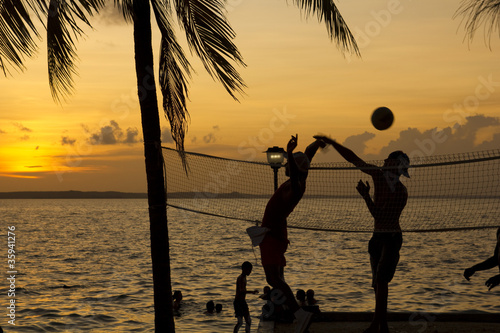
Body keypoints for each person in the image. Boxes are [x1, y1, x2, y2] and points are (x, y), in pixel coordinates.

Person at [315, 135, 409, 333]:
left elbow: (379, 214)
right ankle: (381, 325)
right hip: (377, 236)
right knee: (377, 283)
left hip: (391, 238)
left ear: (395, 165)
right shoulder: (378, 176)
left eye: (388, 160)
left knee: (382, 281)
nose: (383, 162)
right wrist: (333, 142)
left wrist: (366, 196)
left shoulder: (401, 191)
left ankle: (379, 325)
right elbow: (354, 160)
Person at [259, 134, 325, 333]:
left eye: (289, 163)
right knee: (277, 277)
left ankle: (299, 314)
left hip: (273, 235)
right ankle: (287, 309)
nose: (286, 166)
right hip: (272, 232)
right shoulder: (298, 179)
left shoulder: (296, 187)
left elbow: (298, 172)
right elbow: (307, 157)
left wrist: (288, 151)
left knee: (273, 279)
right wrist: (318, 143)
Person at [233, 261, 259, 333]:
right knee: (240, 322)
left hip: (242, 302)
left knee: (248, 320)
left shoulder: (244, 278)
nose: (250, 272)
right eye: (249, 270)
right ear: (244, 269)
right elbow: (241, 291)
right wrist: (252, 292)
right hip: (238, 302)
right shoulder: (240, 278)